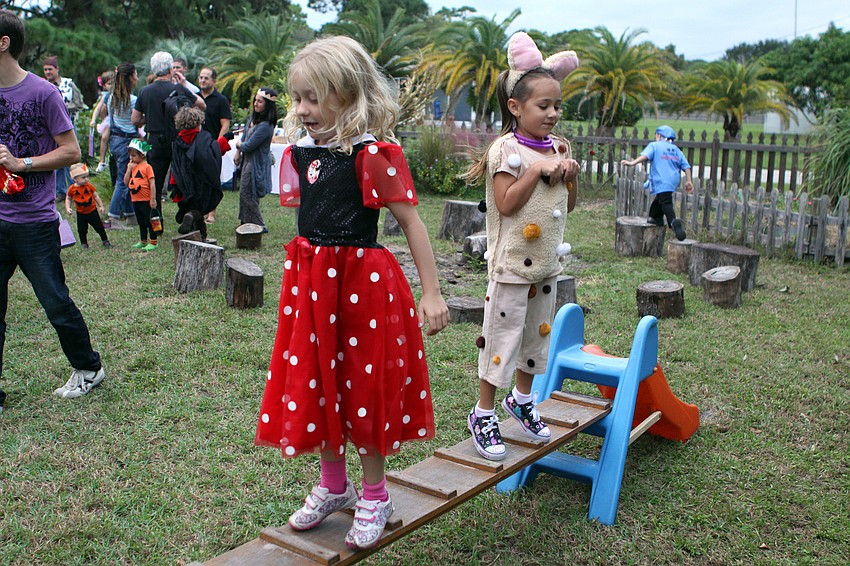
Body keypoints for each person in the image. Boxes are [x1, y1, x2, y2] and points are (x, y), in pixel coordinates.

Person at [254, 36, 449, 550]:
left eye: (314, 98)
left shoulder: (371, 155)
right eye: (297, 98)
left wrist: (431, 292)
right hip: (314, 285)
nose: (302, 110)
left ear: (350, 93)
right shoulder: (305, 152)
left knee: (362, 389)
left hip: (363, 286)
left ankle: (376, 494)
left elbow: (411, 223)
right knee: (320, 380)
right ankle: (334, 486)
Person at [461, 32, 579, 461]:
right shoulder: (505, 151)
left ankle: (523, 401)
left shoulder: (559, 146)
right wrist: (538, 171)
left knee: (535, 340)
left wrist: (569, 172)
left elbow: (570, 202)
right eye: (543, 106)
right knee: (502, 338)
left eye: (557, 106)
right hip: (511, 265)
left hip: (546, 266)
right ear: (516, 107)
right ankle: (484, 411)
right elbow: (507, 204)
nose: (552, 114)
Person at [0, 9, 106, 410]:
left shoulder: (42, 93)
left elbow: (72, 151)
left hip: (33, 224)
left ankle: (89, 369)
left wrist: (22, 164)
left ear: (3, 42)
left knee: (56, 304)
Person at [132, 51, 205, 207]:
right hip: (178, 138)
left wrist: (149, 117)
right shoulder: (178, 88)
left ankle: (156, 220)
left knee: (154, 182)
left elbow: (135, 120)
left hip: (153, 140)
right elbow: (201, 104)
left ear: (153, 70)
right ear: (171, 69)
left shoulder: (145, 91)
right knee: (184, 178)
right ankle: (187, 213)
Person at [620, 125, 694, 241]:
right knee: (660, 199)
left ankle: (673, 222)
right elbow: (686, 166)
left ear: (659, 135)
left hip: (661, 179)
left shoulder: (654, 145)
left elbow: (644, 156)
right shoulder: (676, 150)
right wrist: (689, 180)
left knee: (666, 202)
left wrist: (632, 163)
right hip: (672, 180)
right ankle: (655, 217)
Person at [168, 106, 225, 241]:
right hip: (200, 180)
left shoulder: (177, 141)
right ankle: (192, 218)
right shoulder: (202, 138)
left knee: (192, 206)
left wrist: (175, 182)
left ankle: (199, 236)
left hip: (183, 182)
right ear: (198, 122)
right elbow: (212, 153)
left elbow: (175, 162)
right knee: (200, 208)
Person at [42, 55, 86, 203]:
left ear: (57, 69)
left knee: (70, 158)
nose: (48, 72)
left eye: (50, 69)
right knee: (56, 160)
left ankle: (76, 188)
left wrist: (61, 108)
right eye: (45, 69)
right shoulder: (42, 85)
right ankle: (60, 191)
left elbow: (79, 103)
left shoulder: (68, 84)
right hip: (50, 129)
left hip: (68, 125)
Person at [102, 62, 140, 228]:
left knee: (126, 176)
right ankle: (113, 217)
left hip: (115, 140)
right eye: (136, 74)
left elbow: (109, 118)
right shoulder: (133, 100)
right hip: (128, 140)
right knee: (123, 180)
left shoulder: (111, 98)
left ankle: (131, 215)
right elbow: (136, 122)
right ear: (131, 77)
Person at [234, 87, 275, 231]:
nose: (255, 104)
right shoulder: (253, 119)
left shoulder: (266, 126)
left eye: (260, 102)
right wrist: (238, 152)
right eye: (255, 101)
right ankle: (246, 221)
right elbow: (245, 136)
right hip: (247, 161)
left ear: (267, 105)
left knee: (248, 194)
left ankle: (259, 224)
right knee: (245, 192)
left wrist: (239, 145)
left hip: (256, 163)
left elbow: (248, 145)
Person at [198, 66, 232, 224]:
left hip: (212, 145)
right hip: (196, 145)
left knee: (212, 179)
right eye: (201, 77)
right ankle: (200, 210)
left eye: (206, 77)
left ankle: (212, 212)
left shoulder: (221, 100)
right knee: (197, 179)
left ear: (214, 81)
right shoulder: (195, 98)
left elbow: (225, 125)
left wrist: (217, 145)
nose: (202, 80)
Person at [64, 162, 111, 249]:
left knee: (99, 227)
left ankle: (105, 240)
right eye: (83, 177)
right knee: (82, 229)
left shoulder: (89, 186)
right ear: (75, 178)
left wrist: (101, 206)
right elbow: (68, 198)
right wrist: (68, 208)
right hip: (81, 213)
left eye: (87, 176)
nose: (86, 179)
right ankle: (84, 243)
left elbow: (95, 196)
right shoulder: (72, 189)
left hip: (92, 211)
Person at [124, 138, 158, 250]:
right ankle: (143, 240)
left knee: (149, 221)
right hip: (135, 199)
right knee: (141, 221)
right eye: (130, 155)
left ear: (142, 155)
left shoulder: (147, 167)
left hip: (145, 199)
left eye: (134, 155)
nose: (131, 158)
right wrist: (129, 170)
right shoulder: (132, 166)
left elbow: (152, 183)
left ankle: (153, 241)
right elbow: (126, 182)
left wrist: (152, 199)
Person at [89, 70, 114, 174]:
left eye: (114, 83)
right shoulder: (106, 96)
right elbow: (98, 108)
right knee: (104, 138)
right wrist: (93, 120)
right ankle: (102, 161)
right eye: (109, 84)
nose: (112, 86)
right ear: (104, 86)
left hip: (119, 119)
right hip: (110, 119)